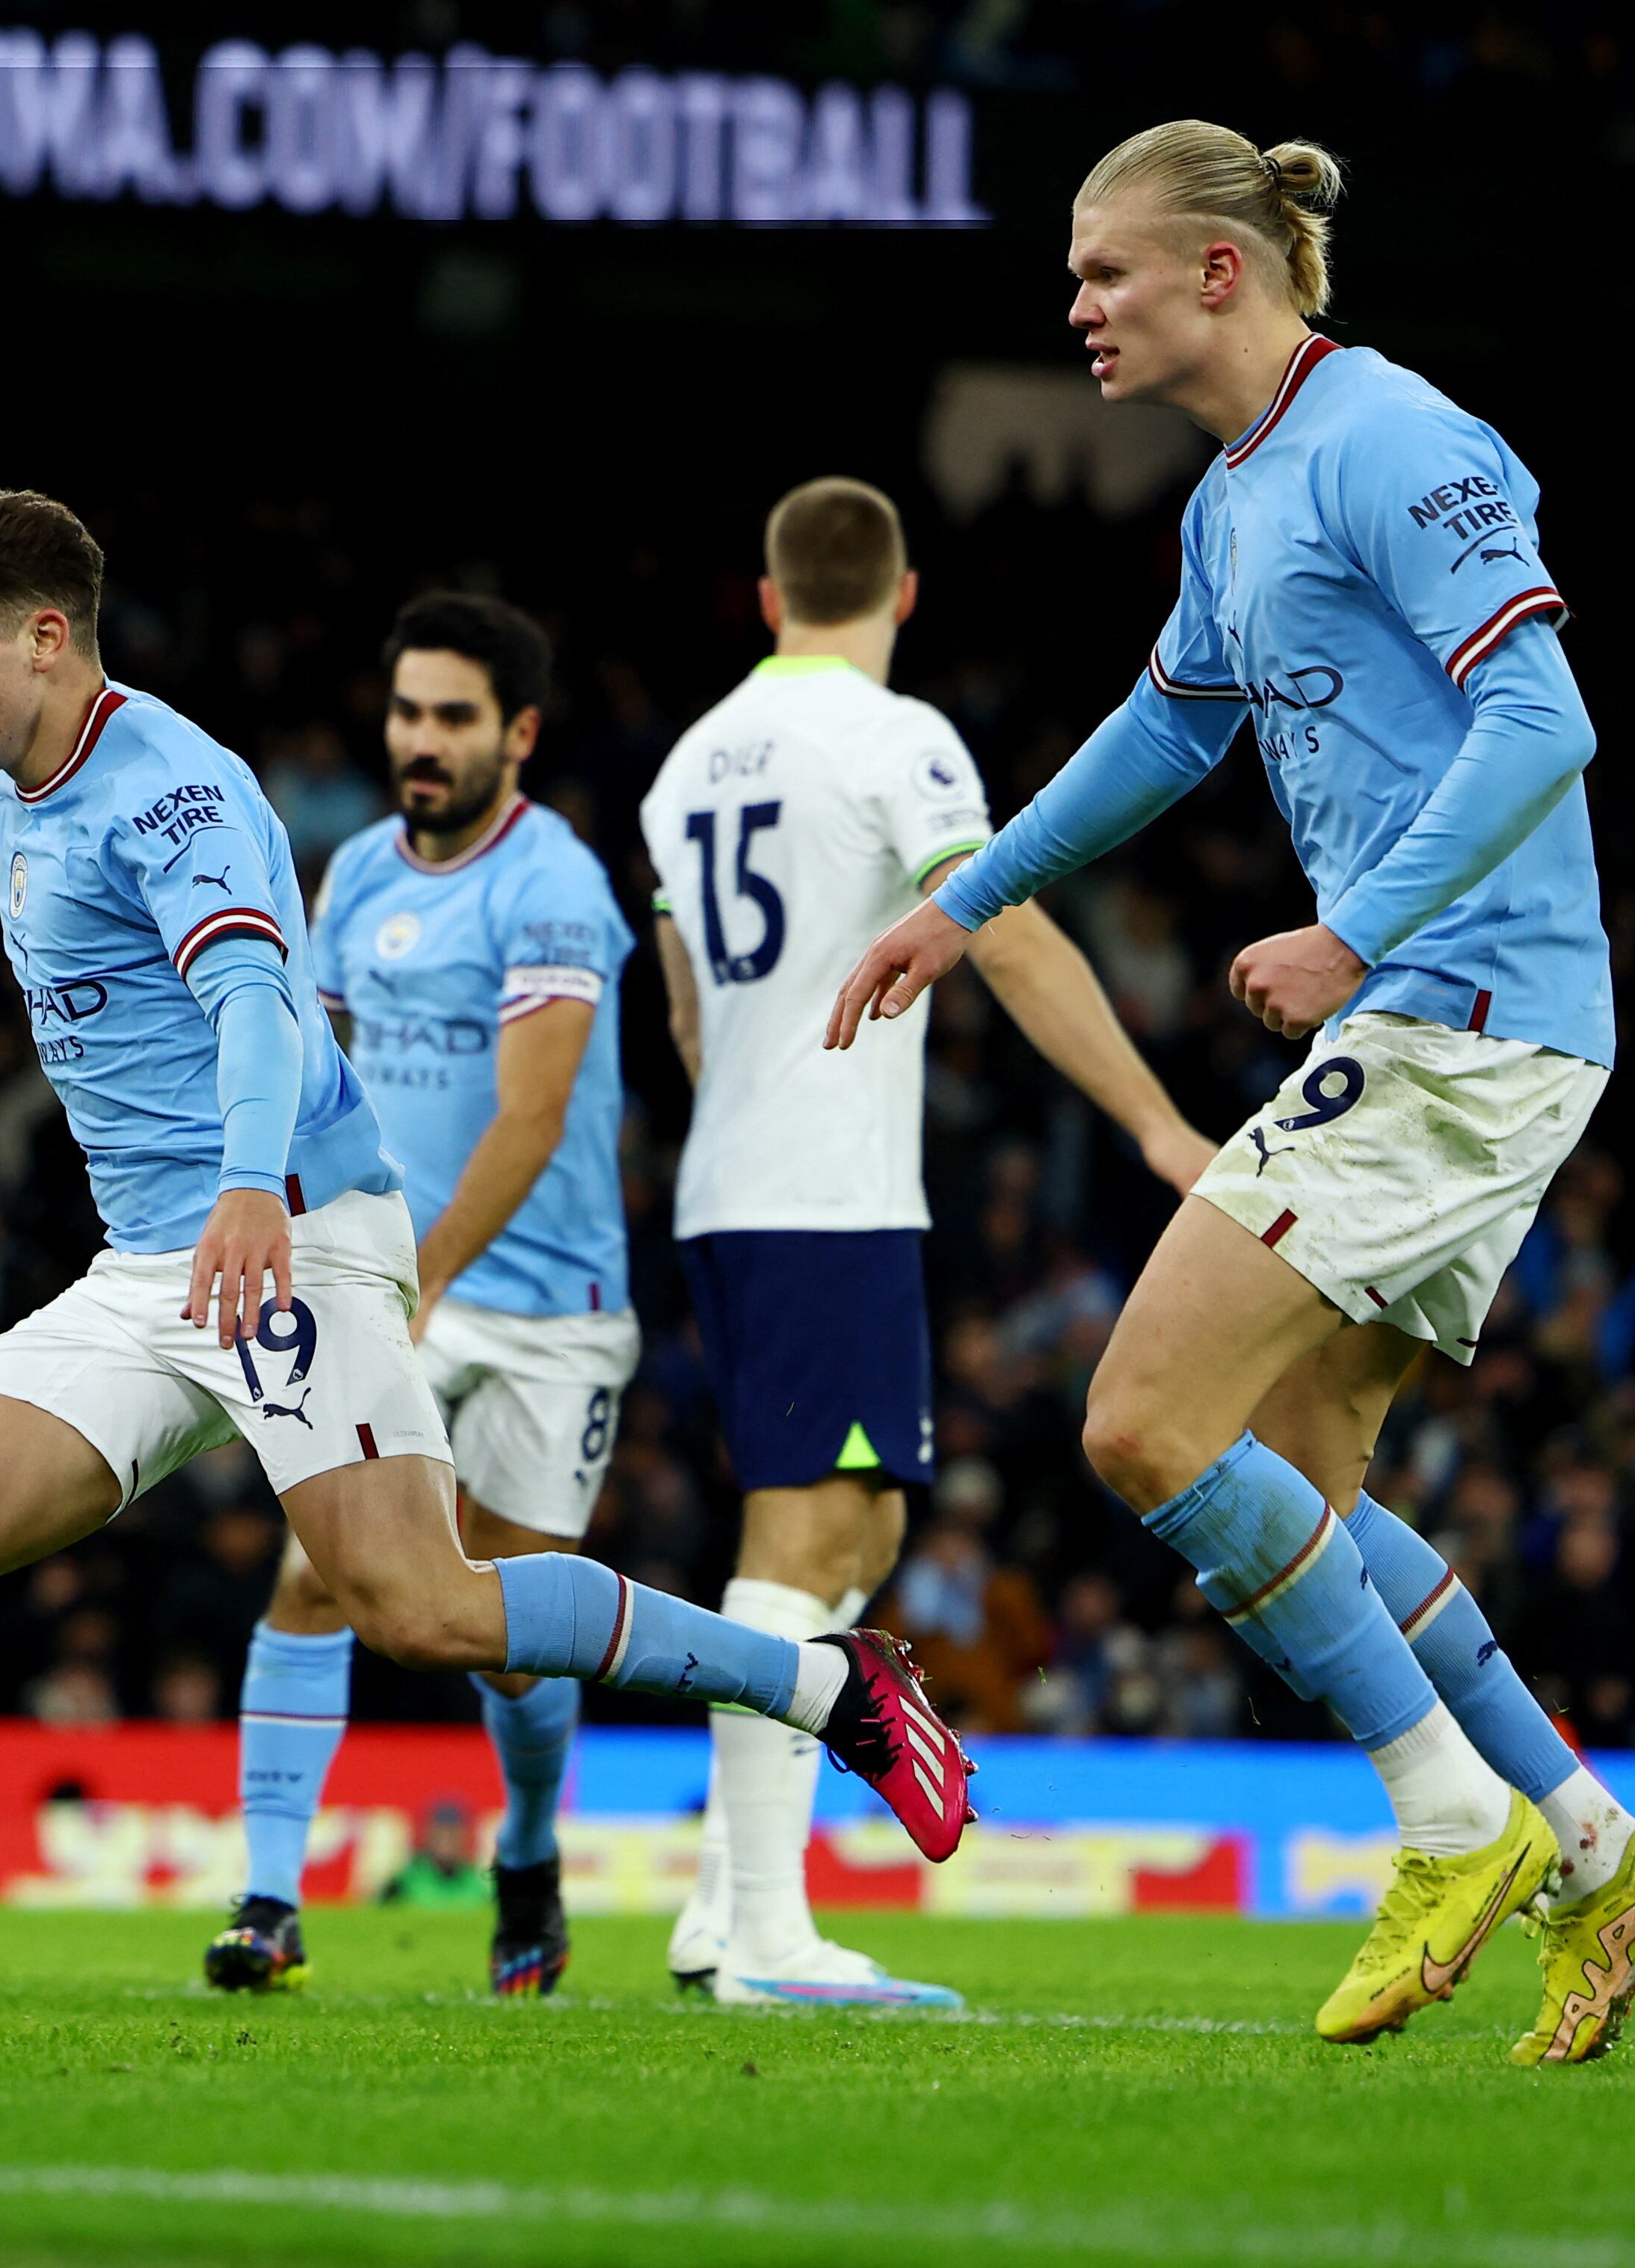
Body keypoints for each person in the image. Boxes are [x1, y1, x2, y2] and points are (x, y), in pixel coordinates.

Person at [0, 489, 977, 2034]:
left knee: (419, 1604)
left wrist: (247, 1184)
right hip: (155, 1263)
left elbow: (259, 1002)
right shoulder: (20, 780)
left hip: (289, 1238)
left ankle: (828, 1687)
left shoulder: (172, 790)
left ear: (46, 637)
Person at [834, 123, 1635, 2064]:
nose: (1075, 307)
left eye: (1103, 273)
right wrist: (966, 906)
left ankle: (1449, 1821)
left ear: (1219, 274)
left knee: (1141, 1424)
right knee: (1296, 1504)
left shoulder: (1394, 439)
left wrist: (1356, 927)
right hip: (1425, 1015)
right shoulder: (1234, 495)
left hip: (1460, 1013)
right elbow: (1168, 722)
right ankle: (1596, 1846)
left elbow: (1543, 717)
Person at [641, 478, 1211, 2011]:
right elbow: (1004, 925)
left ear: (769, 601)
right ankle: (764, 1934)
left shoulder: (689, 761)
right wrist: (1157, 1125)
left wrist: (749, 1113)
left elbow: (686, 1000)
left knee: (864, 1533)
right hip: (819, 1191)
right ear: (902, 597)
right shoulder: (899, 741)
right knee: (806, 1541)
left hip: (739, 1181)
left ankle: (717, 1904)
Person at [206, 593, 640, 2000]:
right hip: (392, 1284)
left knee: (507, 1633)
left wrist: (432, 1271)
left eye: (454, 717)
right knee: (316, 1568)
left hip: (546, 1302)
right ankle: (268, 1900)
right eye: (407, 713)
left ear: (516, 733)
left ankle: (525, 1846)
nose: (422, 741)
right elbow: (319, 1072)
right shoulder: (354, 877)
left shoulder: (554, 887)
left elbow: (530, 1117)